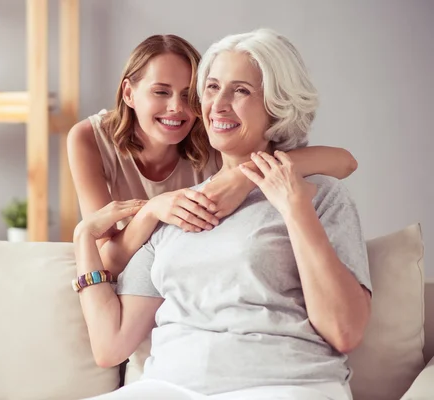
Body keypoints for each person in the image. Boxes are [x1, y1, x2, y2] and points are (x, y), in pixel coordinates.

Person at [72, 28, 372, 400]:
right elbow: (110, 345)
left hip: (282, 385)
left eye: (241, 90)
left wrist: (294, 209)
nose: (219, 104)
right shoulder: (177, 208)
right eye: (212, 88)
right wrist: (84, 236)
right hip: (168, 387)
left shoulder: (319, 196)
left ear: (278, 105)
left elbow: (345, 331)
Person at [67, 34, 359, 278]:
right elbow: (104, 261)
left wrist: (245, 179)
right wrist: (152, 210)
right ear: (129, 93)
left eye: (187, 95)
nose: (176, 108)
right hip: (141, 275)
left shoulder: (212, 135)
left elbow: (344, 161)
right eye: (161, 92)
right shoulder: (89, 139)